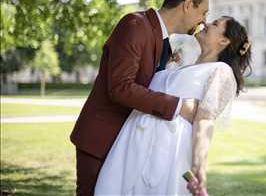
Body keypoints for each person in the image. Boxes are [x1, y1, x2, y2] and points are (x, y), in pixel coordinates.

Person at [70, 0, 211, 196]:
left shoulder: (163, 41)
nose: (203, 21)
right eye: (203, 12)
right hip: (103, 138)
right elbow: (120, 87)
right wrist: (177, 106)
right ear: (187, 5)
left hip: (128, 144)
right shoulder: (135, 24)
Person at [94, 16, 252, 195]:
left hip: (169, 149)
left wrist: (198, 166)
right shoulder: (179, 65)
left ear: (224, 40)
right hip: (132, 141)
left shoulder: (220, 71)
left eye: (215, 24)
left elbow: (205, 120)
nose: (206, 23)